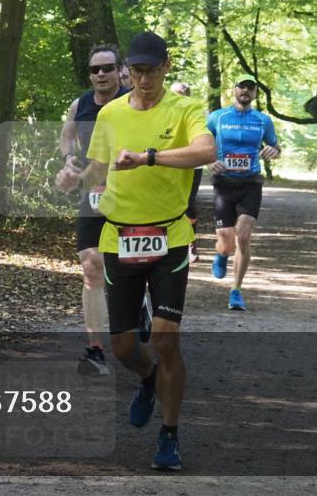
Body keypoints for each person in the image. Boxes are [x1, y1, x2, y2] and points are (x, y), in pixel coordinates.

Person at [80, 31, 215, 471]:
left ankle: (170, 436)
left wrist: (149, 157)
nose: (144, 79)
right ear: (126, 71)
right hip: (118, 237)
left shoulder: (187, 108)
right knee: (121, 347)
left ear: (166, 66)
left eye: (152, 70)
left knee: (164, 336)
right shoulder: (111, 113)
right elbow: (96, 170)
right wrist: (75, 176)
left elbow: (205, 150)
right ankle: (150, 379)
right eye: (136, 70)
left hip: (169, 236)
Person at [55, 45, 130, 375]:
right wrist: (69, 159)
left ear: (119, 70)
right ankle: (96, 349)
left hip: (131, 193)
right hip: (92, 191)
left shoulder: (132, 102)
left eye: (108, 68)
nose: (101, 74)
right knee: (91, 265)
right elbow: (66, 137)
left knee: (127, 266)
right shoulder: (80, 104)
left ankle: (137, 310)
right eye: (95, 69)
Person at [207, 75, 281, 311]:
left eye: (250, 87)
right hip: (223, 183)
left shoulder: (262, 120)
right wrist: (210, 161)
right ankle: (222, 254)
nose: (246, 90)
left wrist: (273, 150)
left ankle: (236, 291)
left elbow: (276, 147)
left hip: (251, 183)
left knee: (244, 236)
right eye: (242, 86)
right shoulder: (217, 117)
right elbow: (201, 143)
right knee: (227, 241)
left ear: (256, 93)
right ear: (234, 90)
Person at [170, 81, 202, 264]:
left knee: (188, 204)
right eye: (175, 95)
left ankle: (190, 243)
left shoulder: (195, 113)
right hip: (168, 164)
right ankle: (170, 243)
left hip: (192, 167)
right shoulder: (162, 111)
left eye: (183, 95)